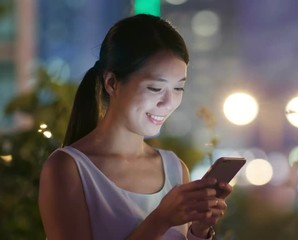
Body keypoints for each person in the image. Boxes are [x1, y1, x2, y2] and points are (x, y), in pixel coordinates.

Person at [39, 14, 232, 240]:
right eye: (155, 88)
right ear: (111, 83)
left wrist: (199, 229)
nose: (168, 103)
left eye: (178, 89)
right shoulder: (68, 168)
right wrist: (161, 219)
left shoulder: (175, 169)